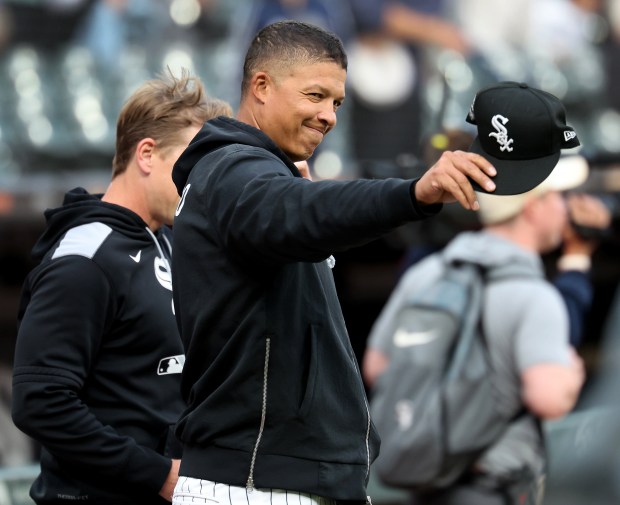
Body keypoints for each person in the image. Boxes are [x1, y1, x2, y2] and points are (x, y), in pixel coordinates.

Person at [168, 19, 501, 505]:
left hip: (273, 476)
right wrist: (414, 194)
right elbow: (305, 212)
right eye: (315, 95)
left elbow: (300, 211)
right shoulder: (232, 168)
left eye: (337, 103)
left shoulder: (252, 175)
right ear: (261, 86)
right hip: (257, 481)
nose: (329, 116)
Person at [11, 70, 233, 504]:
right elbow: (39, 400)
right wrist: (157, 474)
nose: (200, 183)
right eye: (189, 165)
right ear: (147, 154)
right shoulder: (85, 257)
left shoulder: (170, 242)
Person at [363, 81, 586, 505]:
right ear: (535, 208)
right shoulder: (534, 296)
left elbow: (377, 365)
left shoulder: (428, 271)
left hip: (424, 485)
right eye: (560, 197)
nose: (567, 207)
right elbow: (548, 396)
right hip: (493, 488)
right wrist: (571, 372)